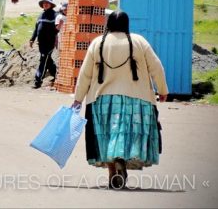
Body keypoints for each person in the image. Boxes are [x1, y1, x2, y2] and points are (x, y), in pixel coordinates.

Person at [71, 11, 168, 190]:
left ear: (108, 24)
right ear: (126, 24)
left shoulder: (97, 43)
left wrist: (78, 99)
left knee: (107, 136)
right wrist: (162, 90)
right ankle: (121, 159)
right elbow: (157, 67)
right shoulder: (139, 41)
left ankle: (112, 173)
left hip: (101, 101)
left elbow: (85, 74)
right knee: (125, 135)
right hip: (137, 100)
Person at [29, 0, 58, 89]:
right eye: (44, 3)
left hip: (49, 43)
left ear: (51, 5)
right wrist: (32, 39)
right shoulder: (40, 15)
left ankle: (38, 81)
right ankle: (56, 73)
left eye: (47, 3)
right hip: (41, 43)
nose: (45, 4)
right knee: (47, 60)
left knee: (43, 61)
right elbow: (36, 29)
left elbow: (57, 28)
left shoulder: (55, 15)